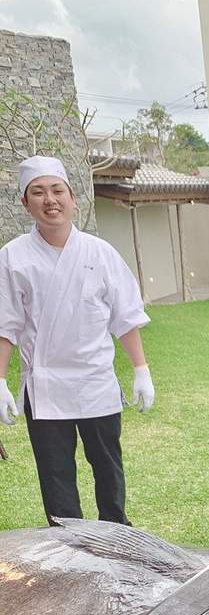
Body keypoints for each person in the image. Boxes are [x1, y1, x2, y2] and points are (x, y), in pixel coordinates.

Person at [0, 156, 154, 526]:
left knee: (108, 468)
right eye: (38, 192)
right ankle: (67, 544)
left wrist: (141, 369)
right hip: (46, 386)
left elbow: (126, 316)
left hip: (94, 380)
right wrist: (0, 381)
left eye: (57, 190)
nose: (49, 199)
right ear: (25, 202)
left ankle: (117, 533)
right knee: (56, 478)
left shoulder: (100, 253)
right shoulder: (13, 257)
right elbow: (6, 324)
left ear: (73, 198)